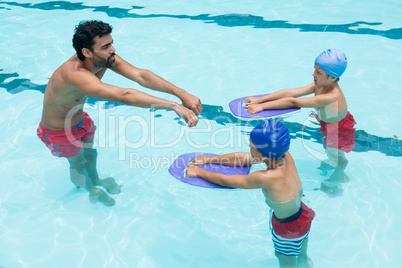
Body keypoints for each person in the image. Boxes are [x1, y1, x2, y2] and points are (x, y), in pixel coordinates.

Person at [37, 20, 202, 206]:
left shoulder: (103, 58)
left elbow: (141, 76)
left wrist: (182, 94)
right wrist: (173, 106)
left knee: (90, 155)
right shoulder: (74, 75)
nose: (112, 50)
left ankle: (96, 180)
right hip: (59, 132)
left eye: (111, 43)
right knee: (77, 164)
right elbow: (124, 95)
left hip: (80, 120)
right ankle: (90, 189)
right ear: (87, 52)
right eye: (106, 46)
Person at [186, 120, 315, 267]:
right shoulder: (284, 155)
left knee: (285, 256)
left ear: (263, 156)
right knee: (301, 243)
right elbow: (244, 158)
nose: (249, 145)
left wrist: (199, 172)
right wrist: (210, 160)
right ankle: (305, 261)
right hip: (302, 214)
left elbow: (227, 180)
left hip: (288, 228)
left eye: (251, 145)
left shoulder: (266, 177)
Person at [245, 49, 356, 170]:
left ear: (333, 78)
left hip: (338, 129)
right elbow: (291, 92)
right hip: (327, 120)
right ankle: (336, 162)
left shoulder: (331, 97)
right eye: (314, 69)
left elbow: (293, 101)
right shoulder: (321, 84)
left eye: (318, 72)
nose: (313, 74)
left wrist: (261, 107)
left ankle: (341, 169)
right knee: (330, 150)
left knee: (333, 152)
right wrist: (260, 99)